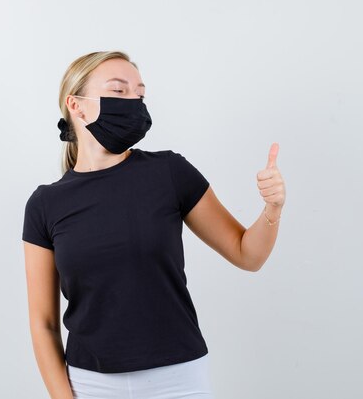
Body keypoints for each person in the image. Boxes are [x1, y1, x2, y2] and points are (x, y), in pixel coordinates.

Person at [21, 51, 286, 399]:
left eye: (139, 94)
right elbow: (44, 324)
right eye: (119, 91)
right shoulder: (45, 205)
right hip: (90, 384)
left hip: (179, 380)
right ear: (77, 105)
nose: (133, 102)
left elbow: (247, 255)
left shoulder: (170, 173)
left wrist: (272, 207)